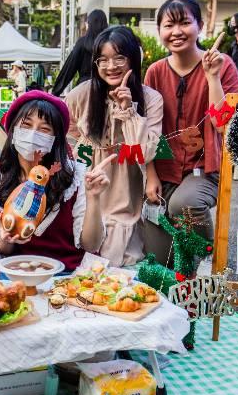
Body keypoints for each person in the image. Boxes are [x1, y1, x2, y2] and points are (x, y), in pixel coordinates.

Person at [142, 0, 238, 268]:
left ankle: (208, 252)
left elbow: (222, 125)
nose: (176, 32)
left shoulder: (224, 66)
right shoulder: (154, 72)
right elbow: (148, 131)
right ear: (160, 31)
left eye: (184, 23)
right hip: (163, 171)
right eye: (168, 25)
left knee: (184, 205)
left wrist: (212, 77)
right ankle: (185, 269)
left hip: (205, 169)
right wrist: (150, 176)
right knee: (160, 264)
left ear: (199, 26)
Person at [66, 26, 164, 266]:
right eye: (103, 60)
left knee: (120, 250)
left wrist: (129, 112)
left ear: (133, 58)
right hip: (89, 174)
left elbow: (146, 151)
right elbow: (65, 131)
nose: (111, 67)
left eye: (119, 58)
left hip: (125, 181)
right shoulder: (82, 94)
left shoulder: (151, 99)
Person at [0, 91, 109, 270]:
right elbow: (4, 248)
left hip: (72, 278)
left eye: (44, 129)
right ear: (13, 132)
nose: (33, 134)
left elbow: (92, 245)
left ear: (55, 139)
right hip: (20, 277)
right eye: (26, 125)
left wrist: (94, 197)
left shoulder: (77, 176)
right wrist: (5, 237)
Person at [52, 9, 109, 96]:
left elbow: (69, 68)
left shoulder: (82, 42)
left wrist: (55, 92)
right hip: (105, 88)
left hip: (84, 89)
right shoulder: (109, 43)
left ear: (89, 24)